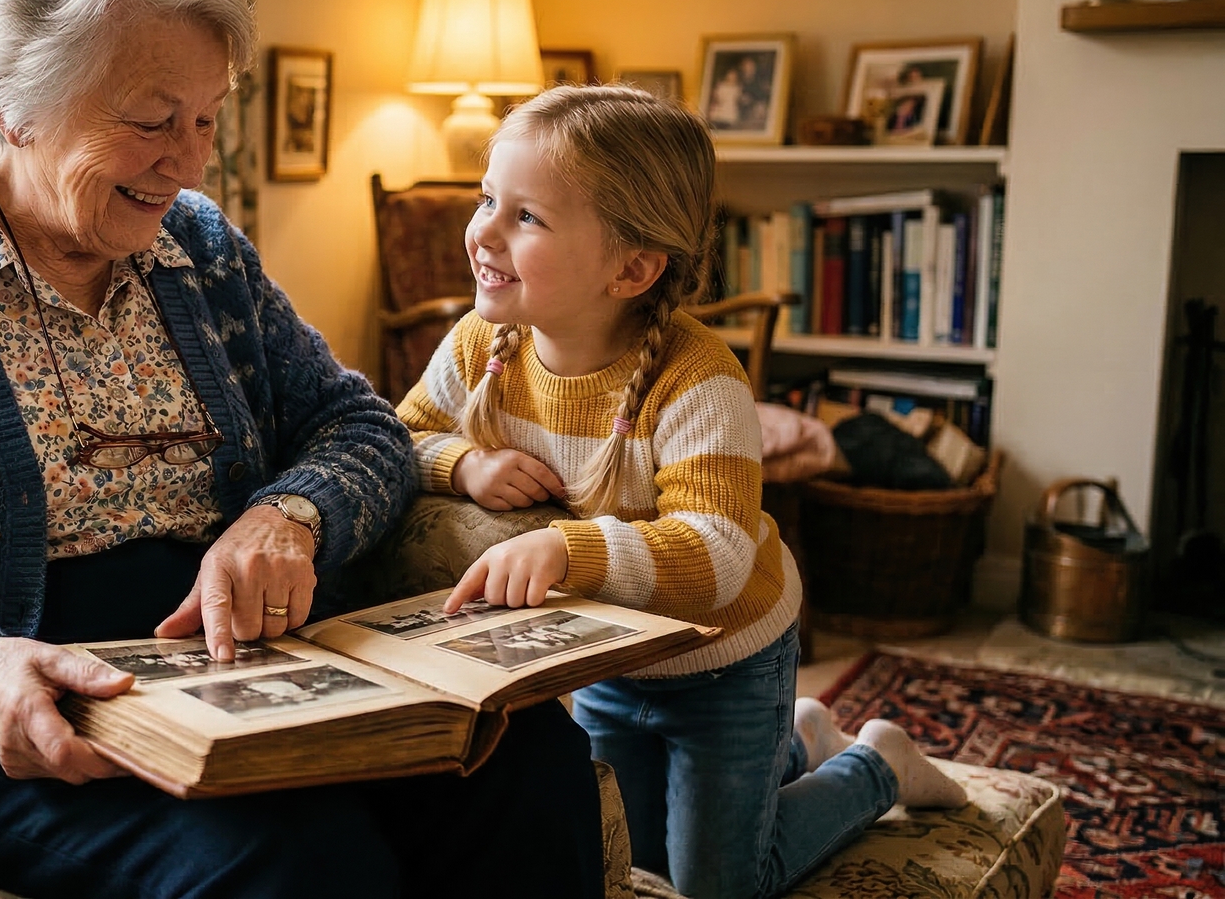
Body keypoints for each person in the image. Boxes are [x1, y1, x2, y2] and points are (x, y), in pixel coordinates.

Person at [0, 0, 609, 899]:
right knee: (296, 862)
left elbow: (358, 425)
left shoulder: (196, 251)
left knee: (527, 758)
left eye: (204, 118)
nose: (187, 162)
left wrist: (287, 515)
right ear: (14, 101)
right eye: (151, 120)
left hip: (247, 674)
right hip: (26, 716)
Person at [396, 85, 969, 899]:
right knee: (636, 866)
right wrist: (465, 465)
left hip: (724, 663)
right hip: (611, 665)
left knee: (718, 885)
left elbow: (718, 555)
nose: (483, 230)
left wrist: (568, 545)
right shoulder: (479, 343)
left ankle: (876, 762)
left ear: (632, 267)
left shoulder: (700, 381)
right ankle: (801, 742)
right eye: (489, 199)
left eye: (527, 217)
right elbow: (400, 437)